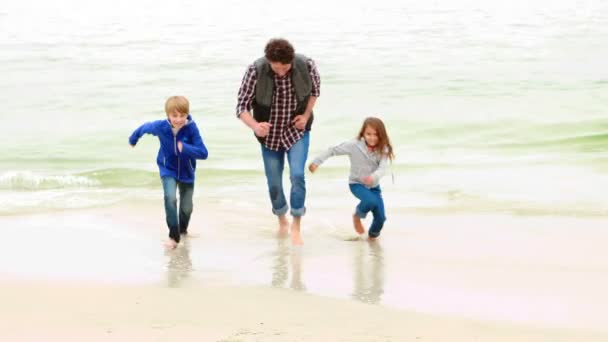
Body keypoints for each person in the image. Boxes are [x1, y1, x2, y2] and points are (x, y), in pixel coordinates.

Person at [236, 38, 321, 245]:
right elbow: (241, 107)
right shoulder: (255, 70)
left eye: (285, 67)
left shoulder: (306, 65)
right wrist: (255, 125)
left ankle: (296, 225)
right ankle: (282, 219)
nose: (281, 71)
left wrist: (307, 114)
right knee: (274, 182)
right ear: (269, 61)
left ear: (291, 60)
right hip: (269, 136)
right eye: (276, 67)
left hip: (296, 131)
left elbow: (315, 91)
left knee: (297, 175)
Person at [129, 96, 208, 248]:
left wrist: (185, 148)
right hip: (167, 169)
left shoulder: (192, 128)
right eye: (174, 116)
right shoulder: (161, 127)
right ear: (168, 116)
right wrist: (133, 139)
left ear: (187, 114)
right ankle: (173, 236)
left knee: (187, 208)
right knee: (170, 197)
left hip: (187, 172)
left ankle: (183, 231)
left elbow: (203, 153)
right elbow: (144, 127)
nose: (178, 120)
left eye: (182, 116)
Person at [309, 117, 394, 240]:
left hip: (374, 187)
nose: (372, 137)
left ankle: (371, 238)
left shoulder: (383, 149)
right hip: (357, 184)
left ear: (381, 135)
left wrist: (373, 177)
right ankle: (357, 216)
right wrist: (316, 162)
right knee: (370, 201)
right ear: (363, 134)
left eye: (376, 135)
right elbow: (332, 150)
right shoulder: (354, 145)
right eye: (368, 134)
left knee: (381, 218)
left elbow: (382, 169)